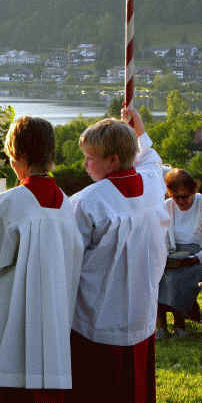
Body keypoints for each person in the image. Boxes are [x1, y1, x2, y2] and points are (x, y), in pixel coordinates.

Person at [0, 116, 84, 402]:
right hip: (51, 318)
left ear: (21, 156)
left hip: (8, 318)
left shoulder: (12, 202)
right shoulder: (64, 202)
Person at [68, 108, 169, 403]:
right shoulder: (152, 183)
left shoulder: (87, 203)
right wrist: (140, 132)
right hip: (141, 314)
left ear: (112, 160)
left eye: (90, 157)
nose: (85, 163)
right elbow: (152, 161)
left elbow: (69, 261)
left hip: (97, 320)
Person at [157, 168, 202, 338]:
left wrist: (194, 258)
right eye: (177, 197)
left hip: (197, 256)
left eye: (185, 196)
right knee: (156, 276)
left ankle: (179, 325)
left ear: (193, 191)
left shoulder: (201, 204)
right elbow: (162, 238)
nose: (181, 201)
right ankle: (161, 327)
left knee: (176, 279)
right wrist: (164, 256)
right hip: (174, 255)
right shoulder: (166, 207)